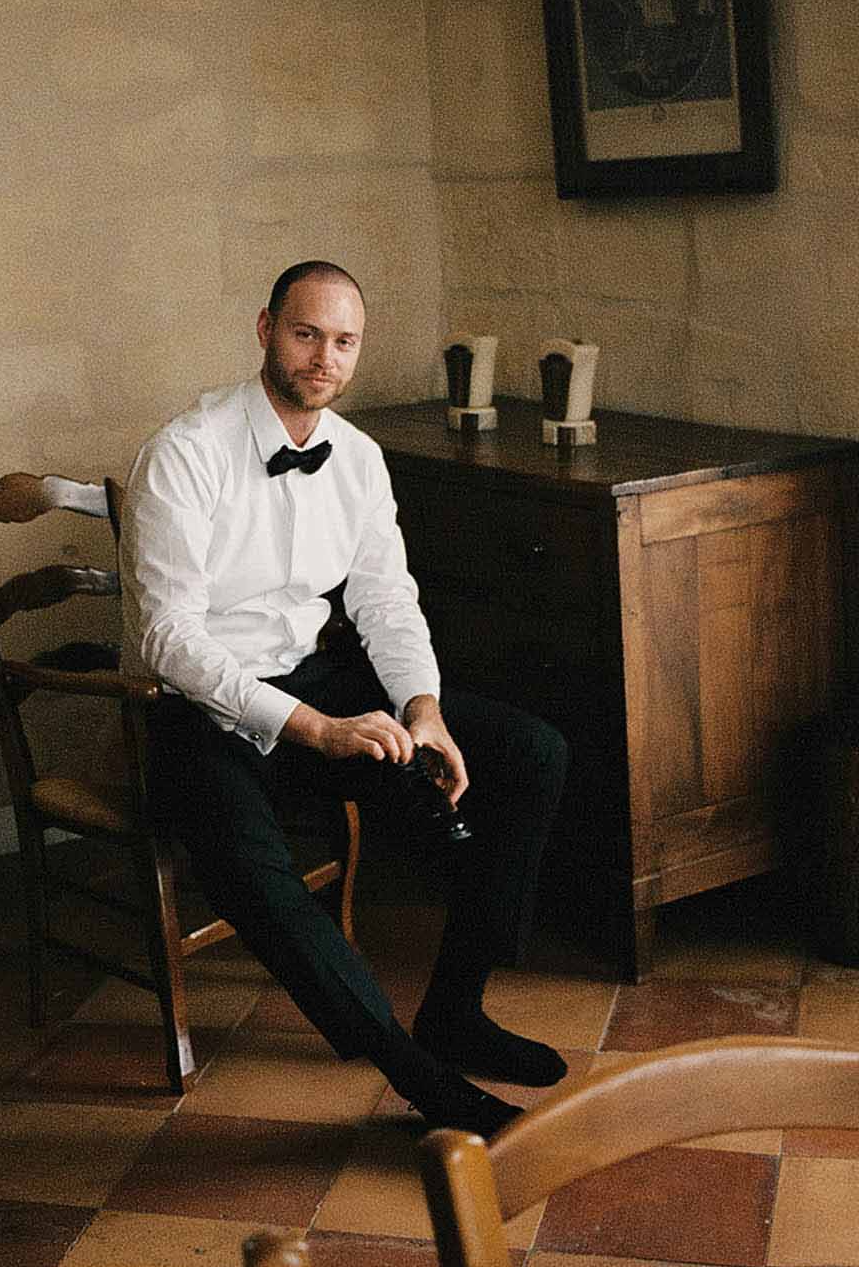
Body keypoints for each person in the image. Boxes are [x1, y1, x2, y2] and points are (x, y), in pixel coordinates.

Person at [119, 260, 568, 1137]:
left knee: (532, 753)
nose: (325, 356)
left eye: (345, 340)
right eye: (306, 333)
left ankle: (458, 1010)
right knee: (260, 877)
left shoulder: (357, 460)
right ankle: (418, 1075)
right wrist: (316, 731)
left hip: (319, 685)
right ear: (264, 330)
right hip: (198, 705)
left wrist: (422, 709)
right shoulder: (183, 453)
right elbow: (169, 641)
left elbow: (385, 601)